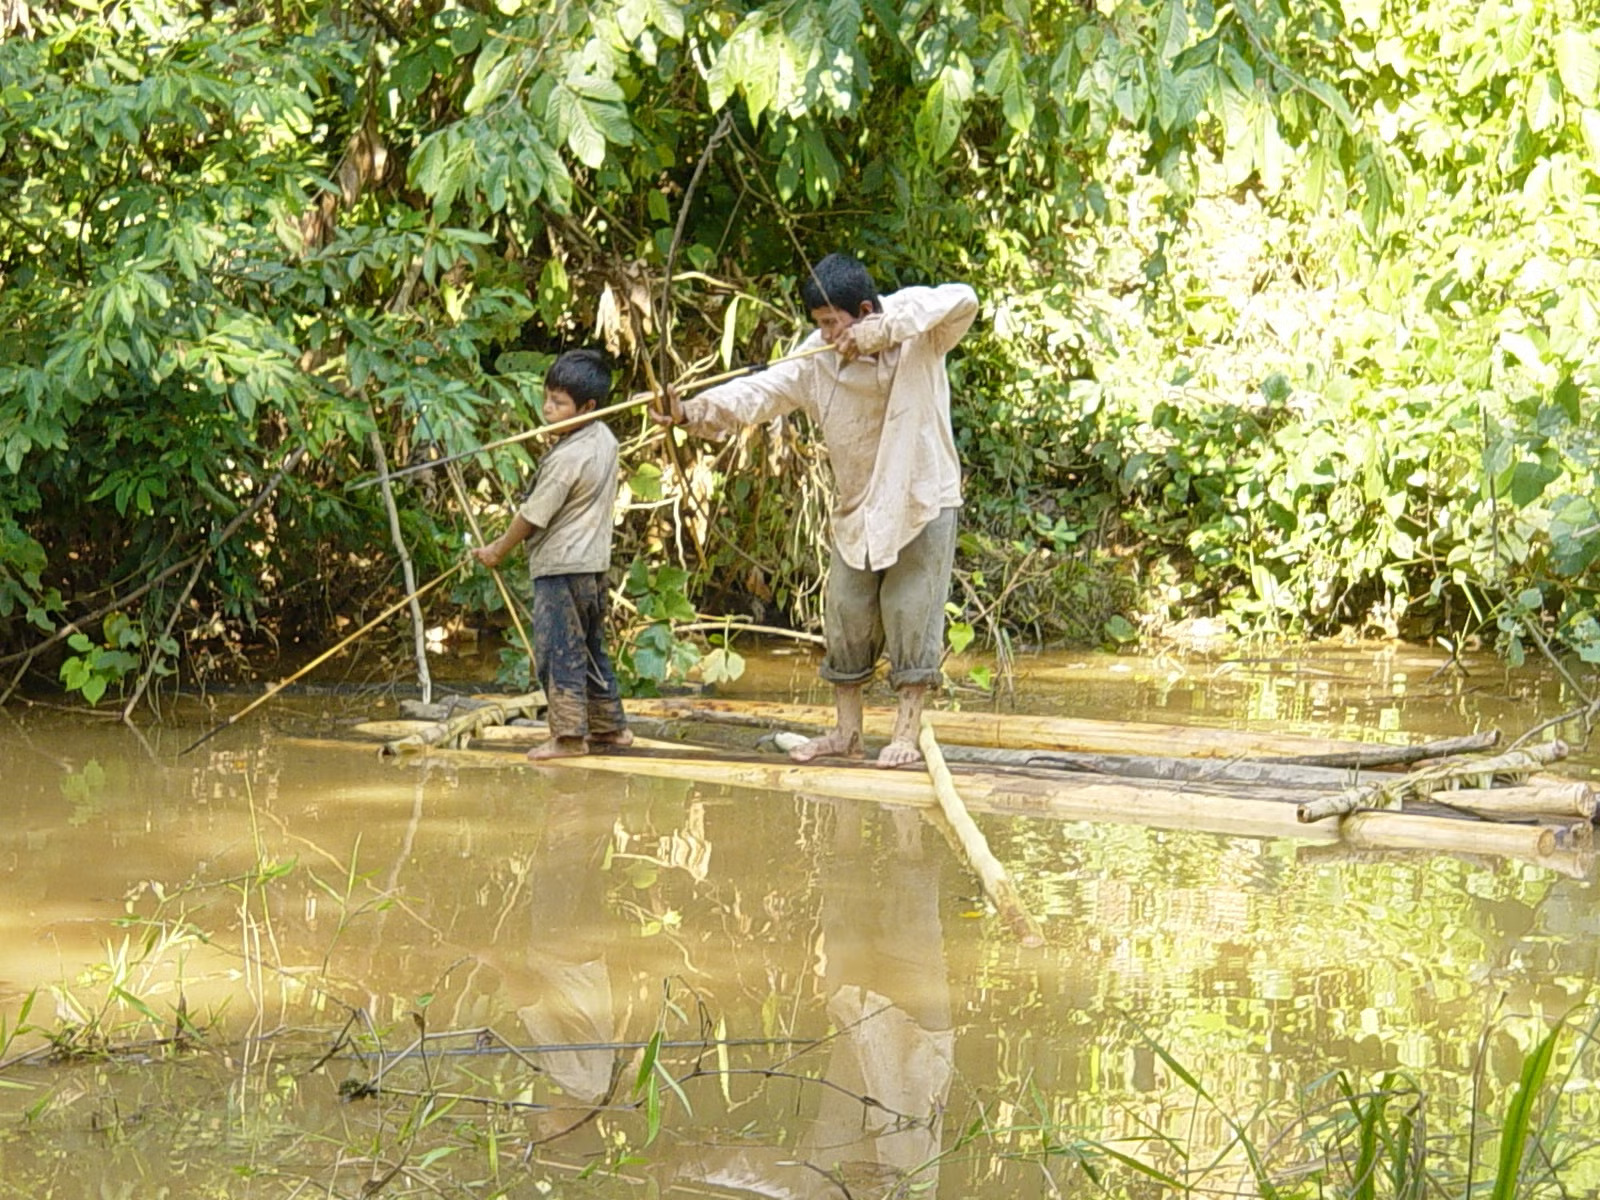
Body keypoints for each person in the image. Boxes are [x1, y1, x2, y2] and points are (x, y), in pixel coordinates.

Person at [661, 253, 978, 767]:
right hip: (860, 508)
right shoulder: (815, 358)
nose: (829, 334)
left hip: (922, 498)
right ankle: (847, 734)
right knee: (847, 616)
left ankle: (903, 734)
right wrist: (690, 412)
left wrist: (879, 333)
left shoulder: (917, 328)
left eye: (834, 323)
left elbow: (963, 299)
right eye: (821, 325)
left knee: (911, 610)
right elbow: (757, 392)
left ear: (866, 309)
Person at [473, 349, 632, 760]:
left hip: (562, 567)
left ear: (588, 406)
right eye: (548, 398)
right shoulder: (603, 439)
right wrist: (562, 433)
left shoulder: (567, 457)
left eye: (559, 404)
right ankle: (610, 728)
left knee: (558, 652)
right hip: (592, 565)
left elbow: (533, 515)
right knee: (590, 648)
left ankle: (568, 738)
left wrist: (496, 550)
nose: (547, 408)